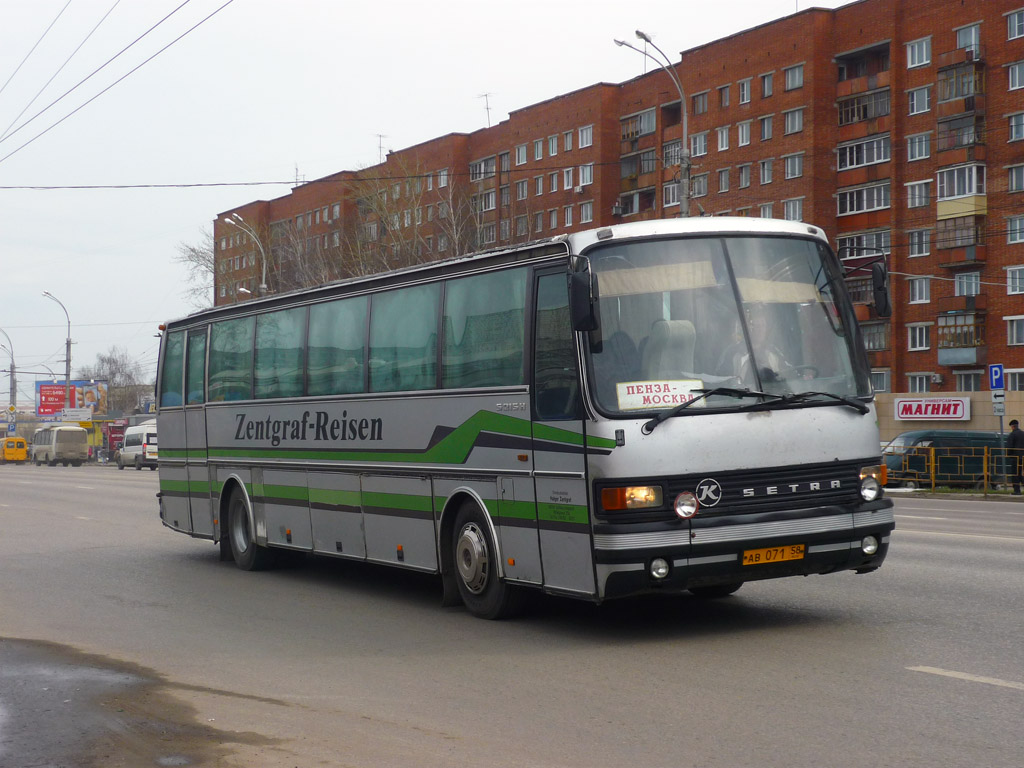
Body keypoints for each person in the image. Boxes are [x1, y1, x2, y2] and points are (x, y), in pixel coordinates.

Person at [1006, 419, 1024, 495]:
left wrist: (1009, 455)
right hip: (1023, 457)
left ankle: (1017, 490)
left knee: (1015, 474)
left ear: (1012, 427)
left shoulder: (1012, 435)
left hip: (1015, 457)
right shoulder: (1023, 433)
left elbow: (1009, 447)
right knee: (1021, 473)